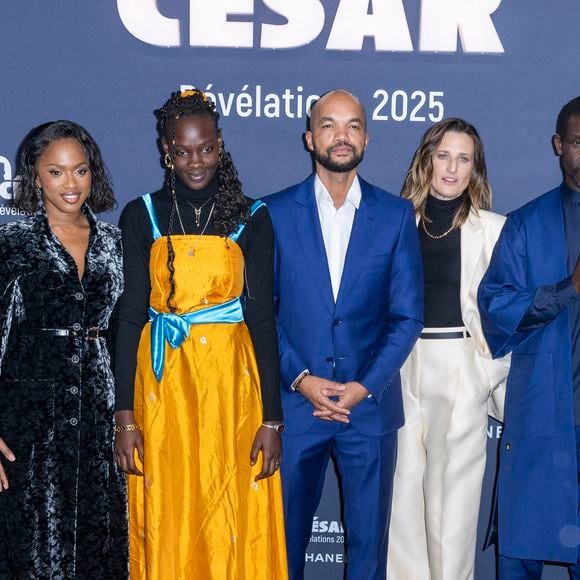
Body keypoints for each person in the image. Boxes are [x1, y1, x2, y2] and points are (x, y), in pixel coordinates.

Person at [113, 88, 287, 579]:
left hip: (231, 388)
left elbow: (261, 319)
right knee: (170, 505)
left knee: (229, 506)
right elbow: (129, 317)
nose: (196, 161)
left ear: (221, 144)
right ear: (166, 149)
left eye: (207, 148)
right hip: (163, 384)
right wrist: (125, 418)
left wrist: (272, 420)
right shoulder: (140, 214)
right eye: (183, 150)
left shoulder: (252, 216)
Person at [264, 89, 423, 580]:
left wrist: (363, 386)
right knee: (282, 549)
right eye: (329, 125)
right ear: (309, 137)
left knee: (368, 554)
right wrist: (302, 379)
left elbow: (407, 317)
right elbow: (261, 313)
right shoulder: (270, 213)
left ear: (366, 139)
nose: (341, 136)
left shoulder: (396, 216)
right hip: (295, 411)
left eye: (353, 125)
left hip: (368, 411)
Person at [0, 120, 128, 579]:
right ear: (35, 176)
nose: (70, 184)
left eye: (80, 170)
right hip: (28, 429)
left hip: (100, 422)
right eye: (56, 172)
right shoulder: (11, 244)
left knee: (101, 551)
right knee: (32, 554)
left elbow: (125, 336)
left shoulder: (116, 245)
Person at [386, 118, 510, 580]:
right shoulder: (395, 220)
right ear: (427, 159)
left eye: (464, 158)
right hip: (400, 364)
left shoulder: (494, 230)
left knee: (452, 508)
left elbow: (509, 311)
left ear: (475, 167)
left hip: (460, 364)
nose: (452, 168)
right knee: (402, 499)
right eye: (444, 156)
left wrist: (486, 373)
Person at [478, 97, 580, 578]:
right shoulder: (527, 223)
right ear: (559, 145)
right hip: (543, 411)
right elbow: (495, 308)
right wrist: (567, 290)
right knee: (521, 550)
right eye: (579, 142)